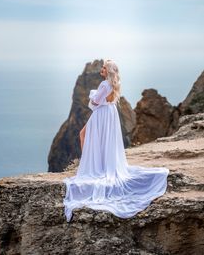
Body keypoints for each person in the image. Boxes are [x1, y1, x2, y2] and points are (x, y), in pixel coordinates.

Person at [63, 59, 169, 222]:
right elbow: (107, 100)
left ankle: (89, 164)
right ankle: (94, 163)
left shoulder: (104, 84)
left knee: (83, 134)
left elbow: (95, 103)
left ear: (108, 71)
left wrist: (92, 96)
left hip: (101, 115)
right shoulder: (115, 83)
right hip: (109, 114)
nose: (101, 69)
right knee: (99, 139)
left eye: (104, 68)